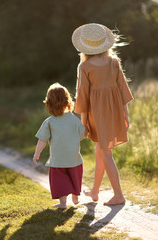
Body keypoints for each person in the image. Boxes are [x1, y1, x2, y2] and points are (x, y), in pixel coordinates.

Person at [71, 23, 133, 206]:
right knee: (100, 150)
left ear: (85, 47)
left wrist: (84, 123)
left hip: (96, 114)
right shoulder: (113, 62)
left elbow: (82, 96)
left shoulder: (85, 66)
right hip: (114, 111)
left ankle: (118, 195)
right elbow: (123, 90)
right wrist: (125, 114)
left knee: (105, 153)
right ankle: (95, 191)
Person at [33, 83, 85, 209]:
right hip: (74, 158)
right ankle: (75, 196)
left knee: (60, 181)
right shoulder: (74, 119)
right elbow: (83, 135)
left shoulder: (49, 122)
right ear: (68, 101)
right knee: (74, 177)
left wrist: (37, 153)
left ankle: (63, 203)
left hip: (58, 160)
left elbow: (42, 140)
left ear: (49, 103)